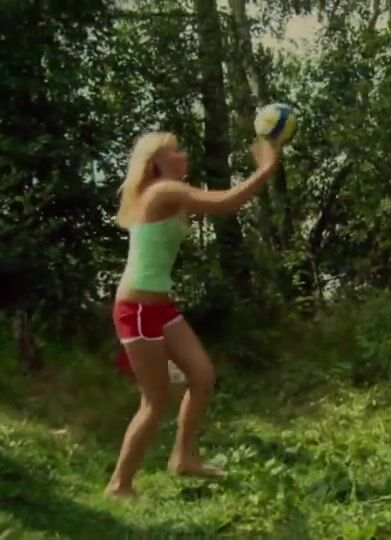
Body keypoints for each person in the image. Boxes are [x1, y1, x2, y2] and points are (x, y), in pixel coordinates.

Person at [105, 131, 278, 498]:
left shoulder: (169, 195)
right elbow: (228, 201)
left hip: (159, 306)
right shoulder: (163, 191)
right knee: (155, 402)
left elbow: (201, 208)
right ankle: (119, 485)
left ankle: (183, 458)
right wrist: (265, 168)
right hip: (136, 309)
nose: (184, 155)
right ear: (158, 162)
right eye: (177, 151)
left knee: (202, 376)